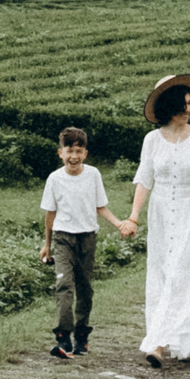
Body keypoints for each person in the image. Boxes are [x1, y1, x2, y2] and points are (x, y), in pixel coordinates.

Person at [126, 73, 190, 367]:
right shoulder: (151, 140)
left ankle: (160, 344)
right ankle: (176, 341)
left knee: (183, 272)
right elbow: (145, 179)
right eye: (182, 105)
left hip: (189, 211)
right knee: (162, 273)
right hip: (160, 212)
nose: (188, 110)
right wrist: (133, 216)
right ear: (168, 107)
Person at [37, 126, 131, 358]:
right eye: (69, 151)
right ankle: (63, 339)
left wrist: (119, 223)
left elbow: (100, 207)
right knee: (64, 285)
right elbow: (50, 215)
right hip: (62, 239)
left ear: (85, 154)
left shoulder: (93, 175)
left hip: (87, 238)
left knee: (85, 289)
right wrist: (47, 245)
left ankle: (81, 337)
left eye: (79, 151)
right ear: (60, 153)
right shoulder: (54, 179)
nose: (74, 156)